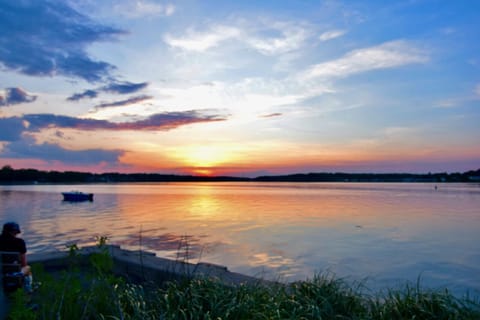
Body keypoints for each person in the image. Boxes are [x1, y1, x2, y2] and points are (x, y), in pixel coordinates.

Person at [0, 222, 33, 293]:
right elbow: (24, 263)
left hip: (1, 271)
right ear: (15, 232)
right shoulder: (19, 242)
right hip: (14, 272)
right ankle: (28, 292)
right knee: (27, 269)